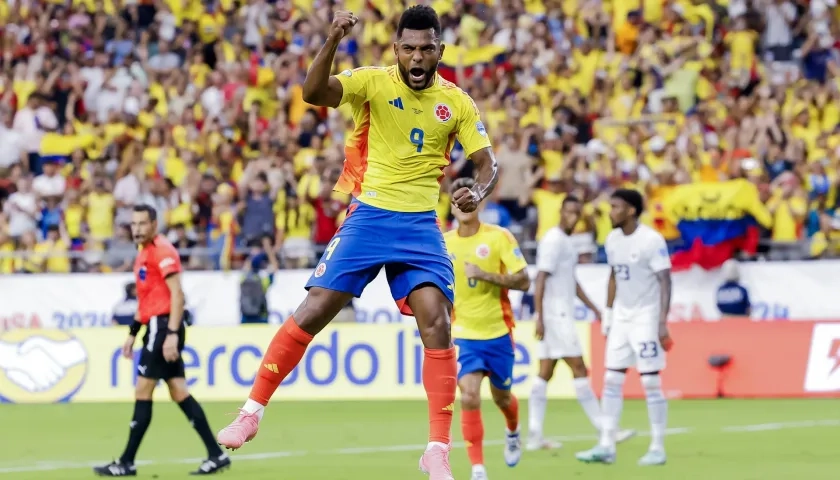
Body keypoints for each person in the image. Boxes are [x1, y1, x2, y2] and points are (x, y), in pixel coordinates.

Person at [216, 6, 498, 480]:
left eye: (426, 48)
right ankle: (251, 412)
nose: (416, 56)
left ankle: (436, 450)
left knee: (438, 322)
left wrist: (477, 189)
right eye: (408, 47)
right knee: (315, 309)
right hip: (368, 216)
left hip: (420, 225)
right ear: (396, 49)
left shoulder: (458, 103)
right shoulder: (372, 81)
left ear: (439, 51)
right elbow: (312, 92)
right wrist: (331, 40)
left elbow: (486, 162)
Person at [94, 205, 230, 477]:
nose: (137, 229)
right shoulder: (143, 254)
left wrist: (171, 334)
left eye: (143, 223)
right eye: (133, 224)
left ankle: (126, 462)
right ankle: (216, 455)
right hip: (156, 326)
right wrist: (132, 334)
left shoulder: (163, 251)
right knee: (179, 391)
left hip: (164, 327)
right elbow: (145, 302)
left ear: (154, 225)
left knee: (143, 391)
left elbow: (177, 295)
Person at [528, 195, 636, 451]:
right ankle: (605, 430)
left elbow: (571, 281)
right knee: (579, 368)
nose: (572, 217)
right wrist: (540, 316)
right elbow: (540, 278)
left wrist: (594, 308)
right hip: (557, 316)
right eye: (568, 212)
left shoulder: (566, 242)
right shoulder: (554, 241)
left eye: (576, 213)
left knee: (545, 373)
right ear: (561, 213)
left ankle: (534, 435)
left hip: (559, 313)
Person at [576, 189, 673, 467]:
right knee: (611, 380)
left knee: (650, 381)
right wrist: (607, 313)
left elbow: (665, 280)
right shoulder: (613, 239)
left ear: (631, 210)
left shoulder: (651, 240)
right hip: (621, 317)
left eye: (615, 206)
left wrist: (662, 321)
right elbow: (614, 276)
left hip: (646, 316)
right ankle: (607, 445)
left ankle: (657, 447)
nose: (610, 211)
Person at [444, 178, 529, 480]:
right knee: (468, 395)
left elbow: (524, 280)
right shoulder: (444, 244)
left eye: (469, 198)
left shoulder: (499, 237)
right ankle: (478, 469)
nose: (463, 204)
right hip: (465, 334)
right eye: (457, 200)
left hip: (498, 333)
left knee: (502, 397)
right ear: (452, 207)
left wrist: (485, 275)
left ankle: (513, 430)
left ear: (478, 202)